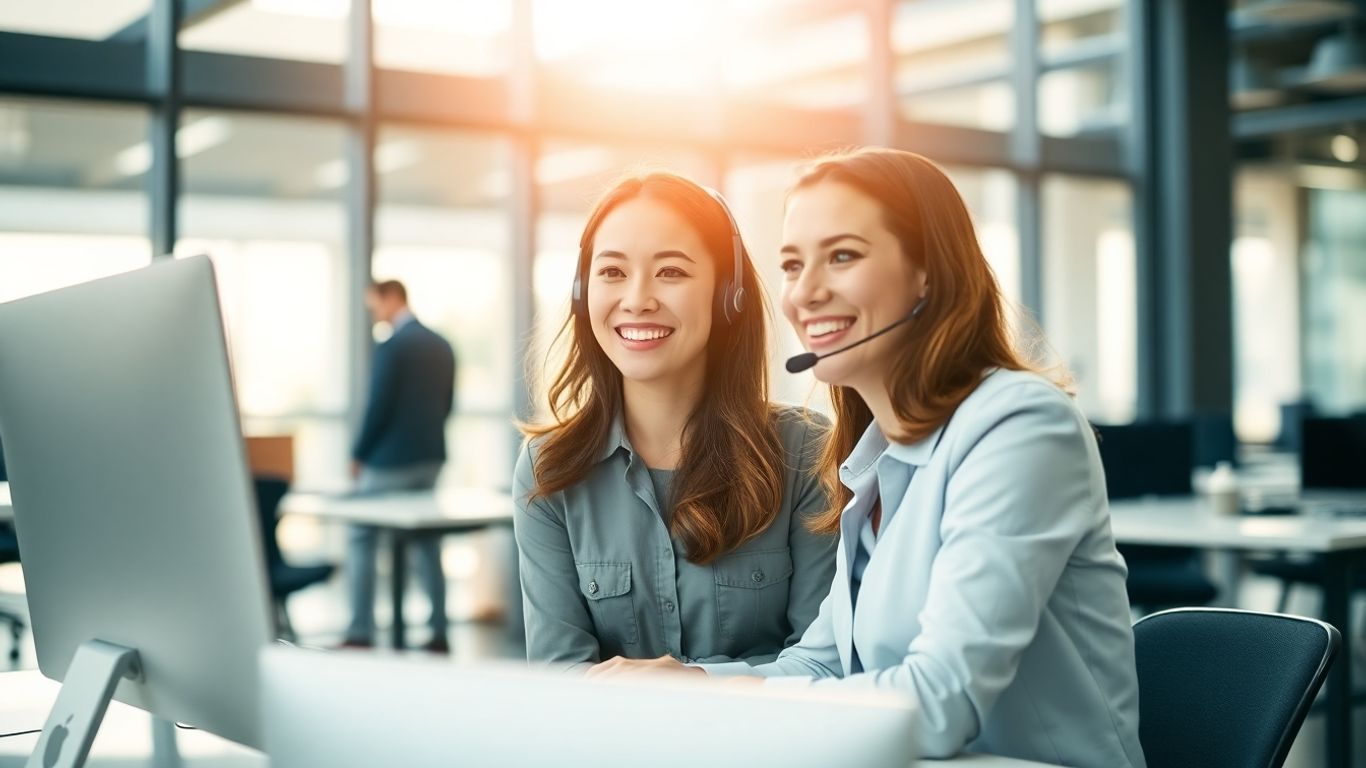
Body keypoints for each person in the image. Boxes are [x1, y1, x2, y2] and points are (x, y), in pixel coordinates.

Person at [587, 149, 1147, 768]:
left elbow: (942, 700)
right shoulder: (878, 459)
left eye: (843, 256)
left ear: (928, 273)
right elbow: (823, 662)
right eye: (793, 265)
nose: (806, 292)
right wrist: (693, 685)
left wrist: (739, 699)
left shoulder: (1019, 425)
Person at [514, 172, 837, 672]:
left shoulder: (806, 453)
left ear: (727, 293)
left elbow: (828, 665)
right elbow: (561, 677)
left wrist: (695, 683)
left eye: (671, 272)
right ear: (583, 293)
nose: (638, 299)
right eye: (613, 272)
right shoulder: (548, 470)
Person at [343, 279, 457, 653]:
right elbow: (447, 405)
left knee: (361, 534)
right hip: (430, 458)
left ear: (392, 298)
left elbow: (379, 408)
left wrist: (358, 454)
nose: (375, 314)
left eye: (375, 305)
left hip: (390, 462)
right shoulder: (442, 345)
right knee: (427, 543)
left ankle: (360, 631)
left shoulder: (391, 346)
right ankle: (439, 631)